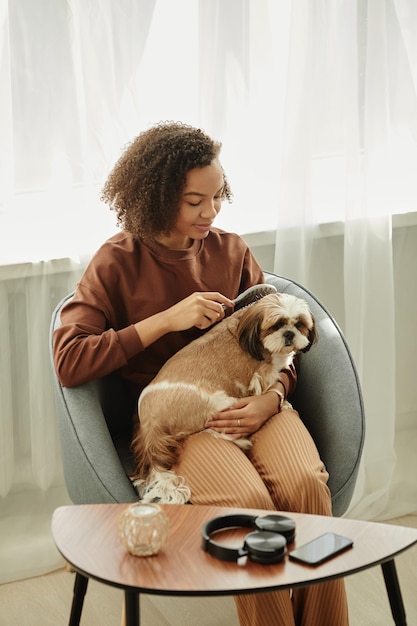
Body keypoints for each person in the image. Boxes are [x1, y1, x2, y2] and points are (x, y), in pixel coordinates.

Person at [53, 121, 349, 626]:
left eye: (217, 197)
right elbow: (70, 361)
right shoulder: (116, 262)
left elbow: (282, 348)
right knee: (249, 502)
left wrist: (273, 399)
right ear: (158, 196)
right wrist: (167, 320)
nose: (210, 213)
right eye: (195, 201)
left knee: (305, 484)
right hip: (183, 422)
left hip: (259, 400)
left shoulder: (231, 251)